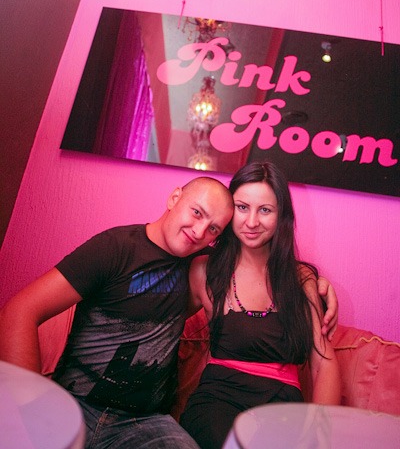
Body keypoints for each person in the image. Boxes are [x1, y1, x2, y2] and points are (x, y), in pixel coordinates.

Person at [0, 175, 337, 449]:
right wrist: (36, 409)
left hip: (143, 424)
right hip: (73, 406)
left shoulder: (200, 268)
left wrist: (313, 282)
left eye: (214, 229)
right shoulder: (115, 249)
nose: (199, 232)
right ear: (175, 198)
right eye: (197, 213)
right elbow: (20, 311)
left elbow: (259, 273)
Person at [180, 162, 341, 449]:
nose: (252, 222)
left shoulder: (301, 279)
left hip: (282, 413)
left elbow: (323, 365)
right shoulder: (204, 271)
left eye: (265, 210)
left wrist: (318, 435)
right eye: (242, 207)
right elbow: (158, 319)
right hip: (216, 405)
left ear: (281, 216)